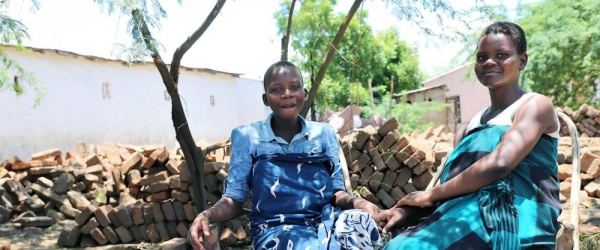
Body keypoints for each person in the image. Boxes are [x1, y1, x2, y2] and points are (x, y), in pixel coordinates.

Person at [376, 21, 561, 249]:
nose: (490, 62)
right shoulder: (467, 127)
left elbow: (499, 164)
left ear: (522, 61)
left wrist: (428, 195)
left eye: (502, 55)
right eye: (482, 57)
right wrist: (407, 213)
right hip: (464, 214)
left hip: (516, 218)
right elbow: (456, 188)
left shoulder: (534, 105)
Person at [188, 61, 382, 250]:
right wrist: (207, 215)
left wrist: (358, 202)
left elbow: (336, 192)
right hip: (275, 230)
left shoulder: (324, 134)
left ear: (304, 94)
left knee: (359, 221)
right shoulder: (247, 137)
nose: (287, 94)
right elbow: (234, 198)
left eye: (294, 87)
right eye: (277, 89)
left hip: (326, 220)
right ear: (266, 99)